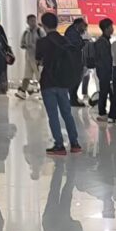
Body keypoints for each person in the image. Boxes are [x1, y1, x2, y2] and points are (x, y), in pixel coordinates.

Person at [35, 12, 82, 156]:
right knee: (67, 113)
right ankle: (75, 143)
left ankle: (59, 145)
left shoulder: (42, 42)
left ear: (44, 25)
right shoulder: (65, 40)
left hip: (48, 82)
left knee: (53, 115)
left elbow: (38, 60)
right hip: (63, 82)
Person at [16, 14, 45, 98]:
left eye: (34, 20)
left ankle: (44, 93)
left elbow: (44, 43)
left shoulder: (40, 31)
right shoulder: (26, 32)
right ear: (27, 22)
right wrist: (25, 45)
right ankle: (22, 92)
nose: (33, 22)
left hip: (38, 58)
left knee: (40, 76)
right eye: (31, 21)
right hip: (29, 57)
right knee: (27, 75)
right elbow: (22, 44)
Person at [64, 18, 90, 106]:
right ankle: (73, 99)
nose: (84, 28)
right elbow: (75, 45)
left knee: (77, 79)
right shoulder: (71, 32)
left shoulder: (75, 32)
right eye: (82, 25)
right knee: (74, 80)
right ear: (77, 24)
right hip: (72, 60)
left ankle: (73, 98)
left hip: (76, 60)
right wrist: (83, 42)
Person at [93, 18, 115, 120]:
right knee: (104, 91)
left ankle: (107, 111)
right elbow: (105, 59)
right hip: (104, 71)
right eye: (111, 27)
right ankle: (102, 112)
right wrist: (110, 72)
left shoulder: (105, 40)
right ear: (106, 28)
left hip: (104, 71)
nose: (112, 29)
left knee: (106, 91)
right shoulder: (102, 42)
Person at [0, 24, 13, 95]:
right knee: (3, 73)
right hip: (3, 59)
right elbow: (6, 48)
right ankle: (3, 88)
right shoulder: (3, 37)